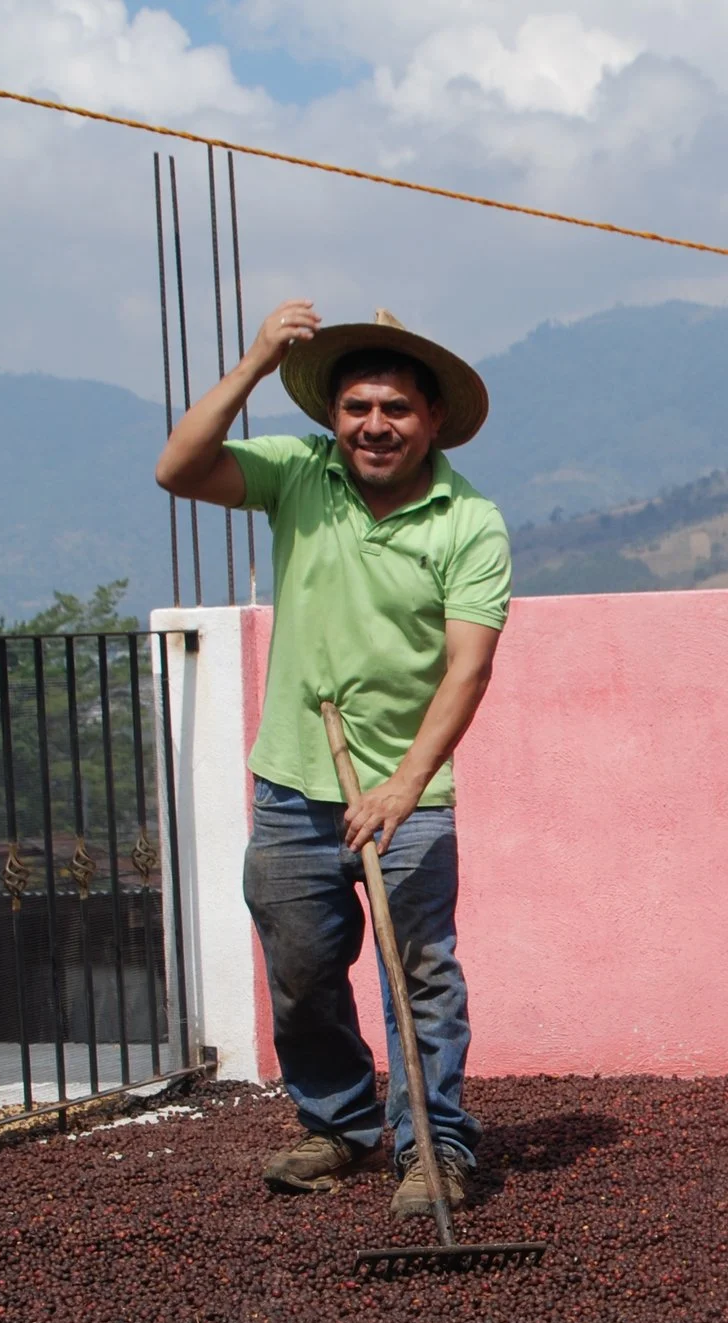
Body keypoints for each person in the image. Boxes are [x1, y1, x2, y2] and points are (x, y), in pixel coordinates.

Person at [155, 302, 511, 1215]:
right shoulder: (299, 477)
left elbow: (468, 666)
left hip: (411, 789)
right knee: (304, 971)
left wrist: (404, 784)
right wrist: (256, 359)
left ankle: (434, 1149)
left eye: (395, 409)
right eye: (357, 408)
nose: (375, 426)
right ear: (330, 418)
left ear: (431, 421)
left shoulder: (469, 522)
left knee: (419, 970)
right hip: (292, 783)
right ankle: (339, 1125)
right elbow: (177, 467)